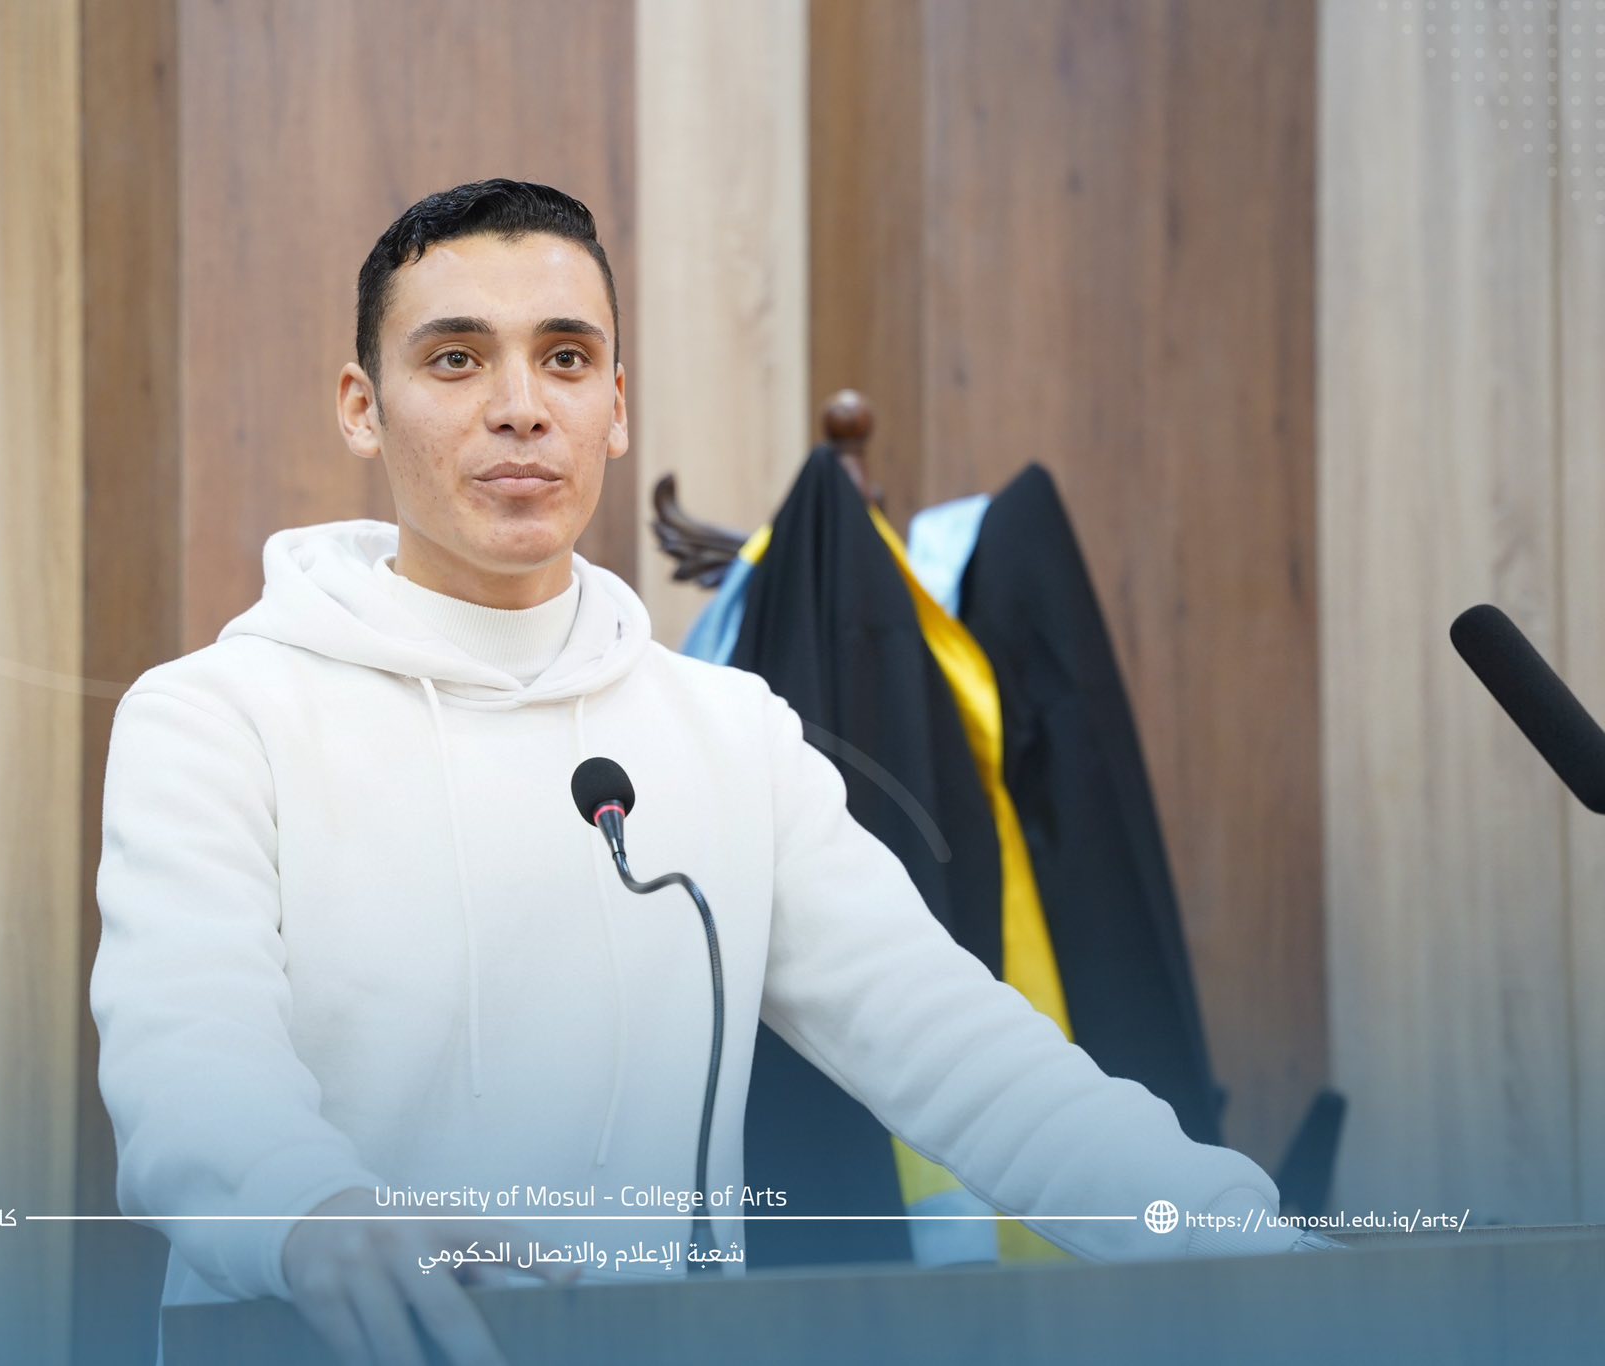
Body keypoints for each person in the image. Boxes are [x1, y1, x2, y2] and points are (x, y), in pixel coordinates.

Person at [89, 178, 1324, 1366]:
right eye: (456, 359)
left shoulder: (731, 735)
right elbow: (183, 1061)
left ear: (615, 406)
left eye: (565, 359)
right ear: (362, 407)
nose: (520, 407)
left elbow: (963, 1054)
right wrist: (309, 1212)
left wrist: (1248, 1244)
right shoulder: (216, 717)